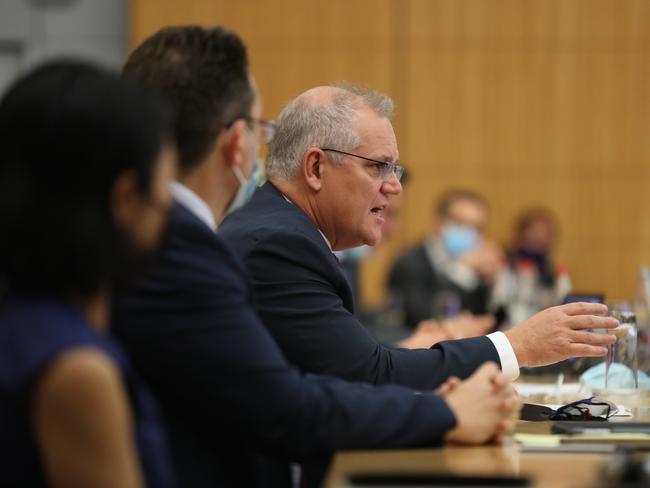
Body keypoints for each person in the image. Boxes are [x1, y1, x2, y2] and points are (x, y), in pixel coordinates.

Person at [111, 26, 518, 488]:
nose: (394, 186)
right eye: (378, 166)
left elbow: (303, 381)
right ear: (238, 142)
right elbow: (288, 407)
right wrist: (448, 409)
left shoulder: (176, 240)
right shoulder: (213, 249)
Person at [220, 83, 618, 389]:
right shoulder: (280, 244)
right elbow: (367, 377)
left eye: (394, 170)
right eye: (379, 166)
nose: (395, 188)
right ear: (316, 168)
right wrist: (517, 347)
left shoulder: (284, 230)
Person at [0, 61, 176, 487]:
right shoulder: (76, 372)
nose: (170, 211)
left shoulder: (23, 323)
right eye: (165, 190)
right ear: (126, 199)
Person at [388, 189, 502, 327]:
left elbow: (487, 319)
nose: (468, 232)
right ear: (439, 221)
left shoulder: (478, 266)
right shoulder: (409, 262)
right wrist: (462, 272)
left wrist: (495, 282)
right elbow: (424, 318)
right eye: (460, 223)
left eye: (476, 227)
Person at [491, 207, 572, 325]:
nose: (539, 238)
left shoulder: (556, 275)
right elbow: (494, 305)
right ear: (518, 235)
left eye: (545, 235)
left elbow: (563, 308)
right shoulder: (500, 268)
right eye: (533, 233)